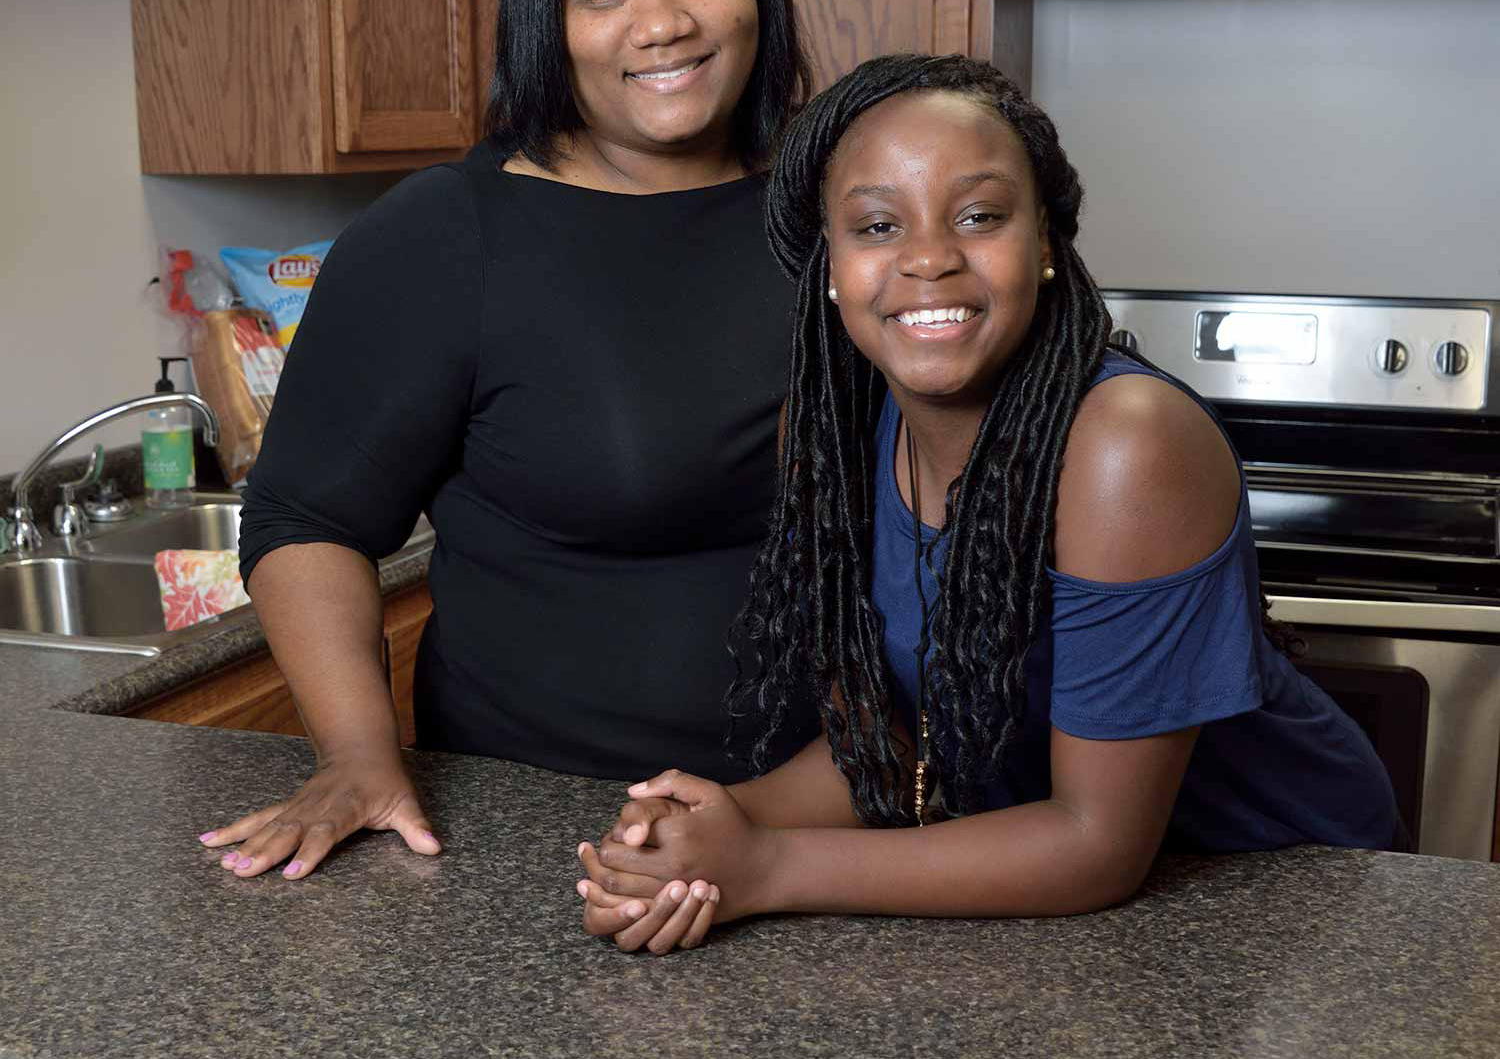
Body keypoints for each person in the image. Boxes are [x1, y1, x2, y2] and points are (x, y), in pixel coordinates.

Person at [574, 54, 1403, 954]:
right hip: (1051, 906)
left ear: (1046, 242)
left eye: (979, 215)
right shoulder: (843, 434)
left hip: (1293, 901)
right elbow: (906, 730)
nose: (928, 257)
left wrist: (768, 866)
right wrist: (703, 835)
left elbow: (1097, 844)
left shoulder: (1125, 448)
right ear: (829, 267)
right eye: (878, 225)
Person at [197, 0, 813, 881]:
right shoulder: (447, 236)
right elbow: (306, 516)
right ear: (548, 13)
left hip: (833, 820)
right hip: (559, 835)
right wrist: (355, 751)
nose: (662, 22)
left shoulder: (839, 203)